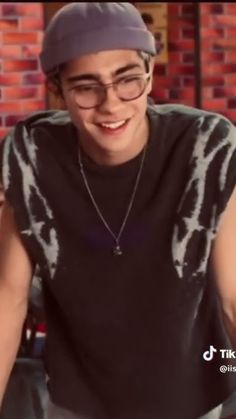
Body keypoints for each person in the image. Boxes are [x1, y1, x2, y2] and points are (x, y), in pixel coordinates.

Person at [0, 3, 236, 419]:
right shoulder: (29, 154)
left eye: (127, 80)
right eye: (87, 87)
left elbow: (232, 296)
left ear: (148, 77)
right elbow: (8, 297)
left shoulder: (206, 145)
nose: (111, 104)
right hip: (76, 401)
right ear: (58, 87)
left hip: (188, 398)